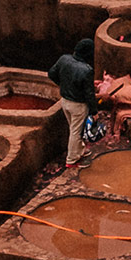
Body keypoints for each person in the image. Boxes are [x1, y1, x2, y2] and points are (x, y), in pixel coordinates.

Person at [48, 39, 97, 167]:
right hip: (78, 106)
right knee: (76, 132)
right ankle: (72, 160)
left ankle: (79, 151)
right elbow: (89, 94)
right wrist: (94, 111)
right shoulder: (87, 70)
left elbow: (51, 74)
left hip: (65, 101)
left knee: (74, 129)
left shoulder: (64, 59)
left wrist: (62, 85)